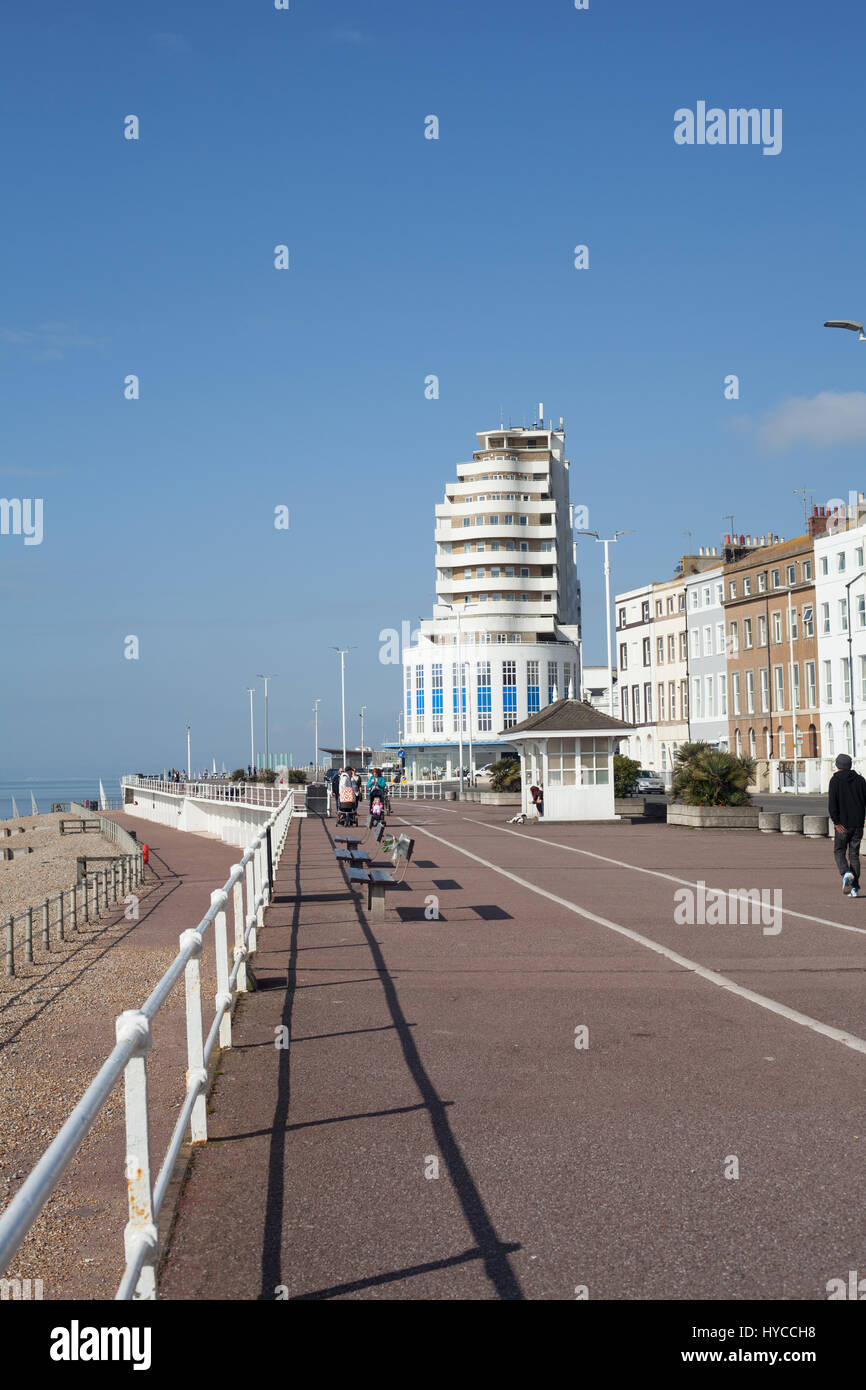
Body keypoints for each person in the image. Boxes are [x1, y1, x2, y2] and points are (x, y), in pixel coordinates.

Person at [828, 753, 866, 898]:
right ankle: (855, 888)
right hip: (858, 824)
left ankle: (846, 873)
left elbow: (832, 804)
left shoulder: (835, 781)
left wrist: (836, 822)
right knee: (854, 855)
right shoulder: (861, 780)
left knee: (839, 851)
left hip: (842, 825)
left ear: (838, 766)